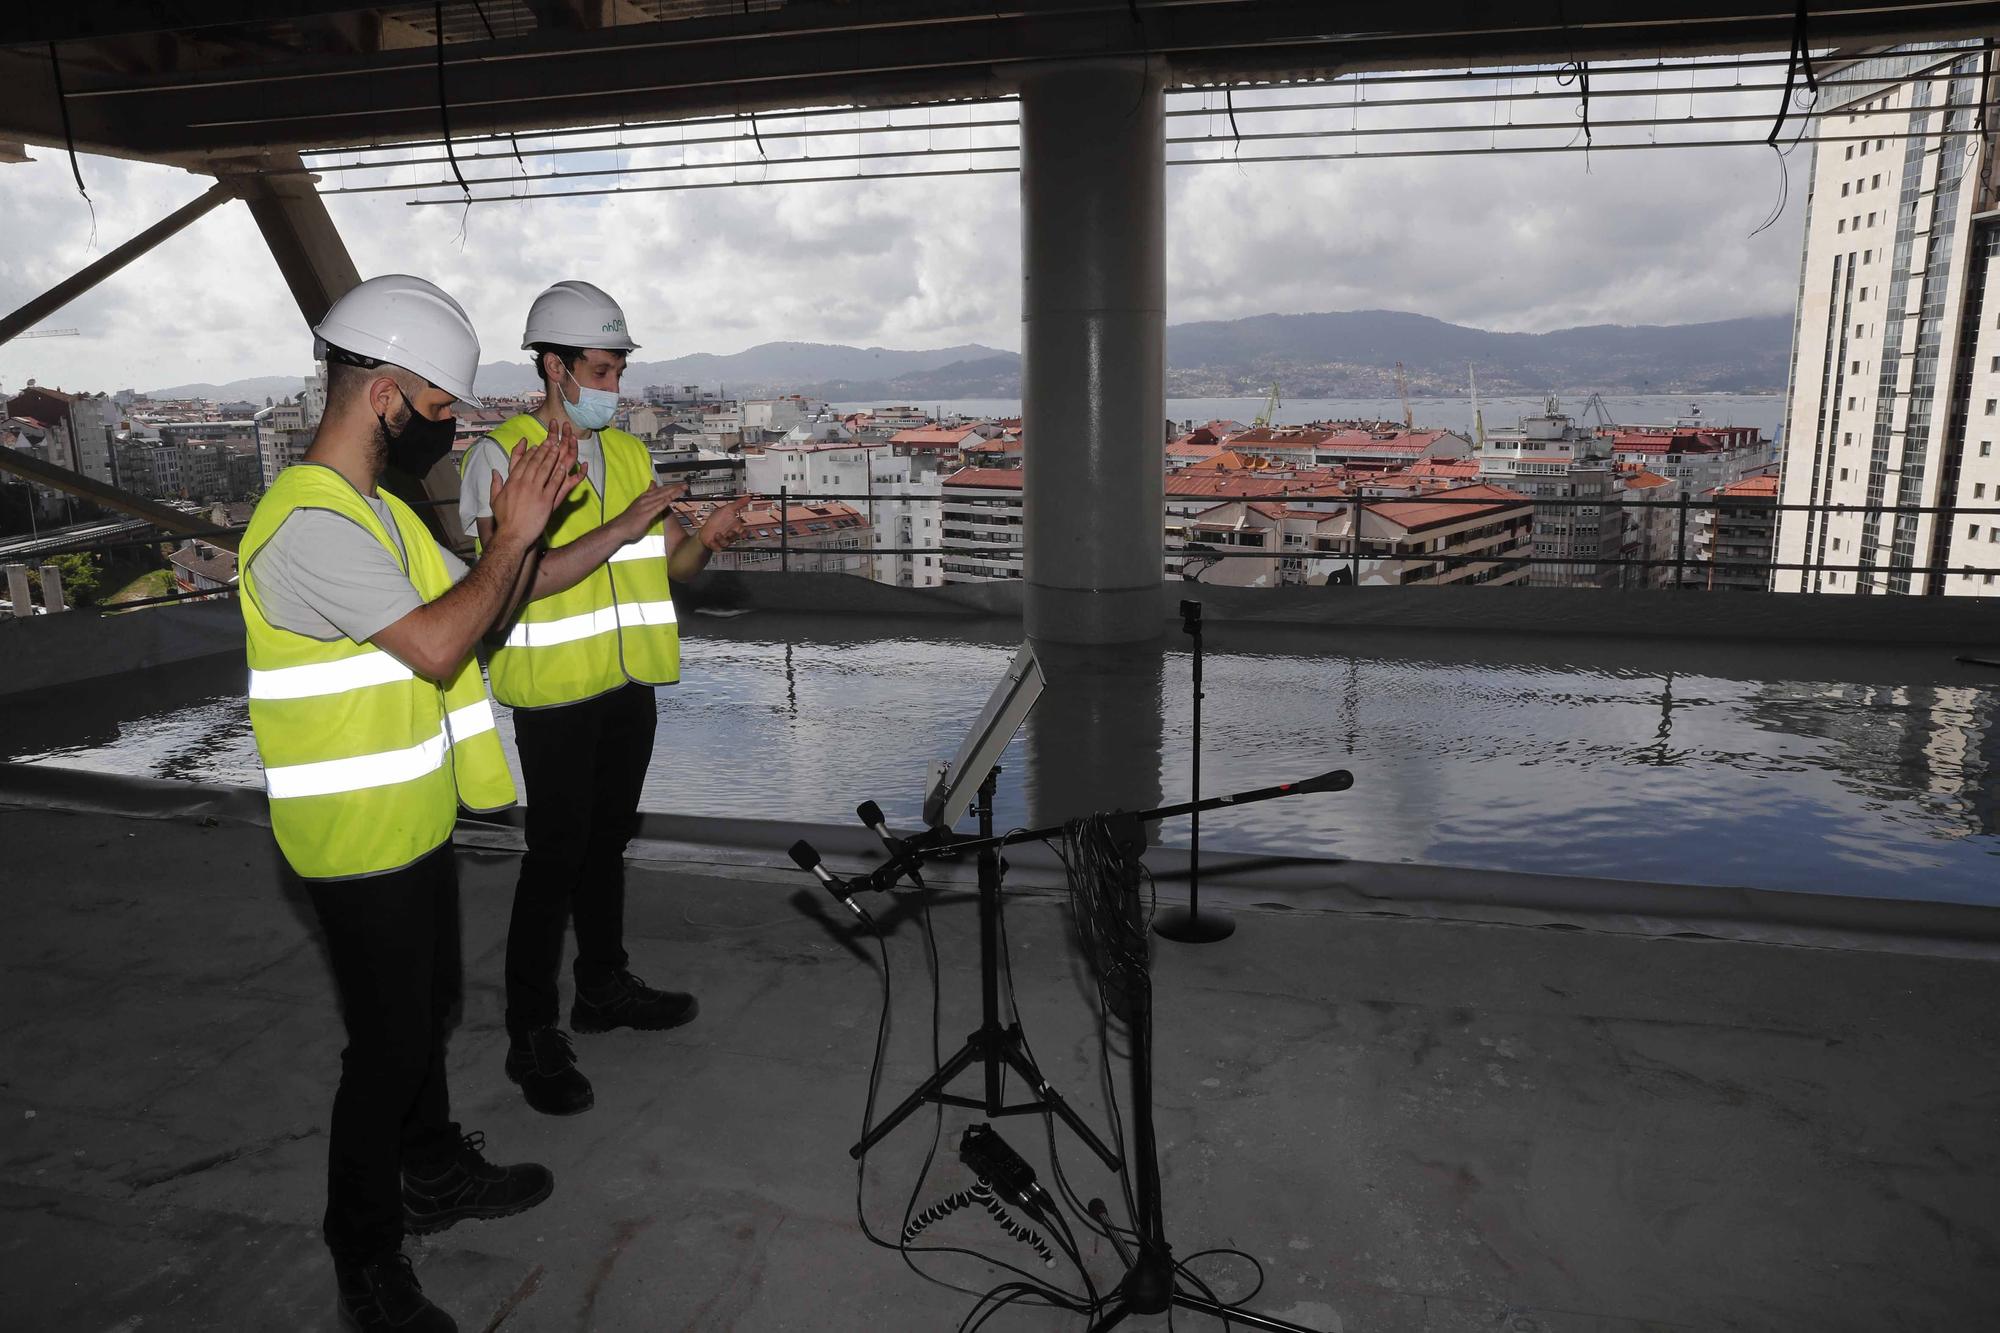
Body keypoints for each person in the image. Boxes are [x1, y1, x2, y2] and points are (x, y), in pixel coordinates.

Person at [239, 274, 583, 1333]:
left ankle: (432, 1171)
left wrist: (519, 541)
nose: (444, 429)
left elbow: (473, 610)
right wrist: (511, 542)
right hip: (354, 841)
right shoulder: (308, 526)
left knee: (420, 1017)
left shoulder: (375, 510)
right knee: (383, 1048)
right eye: (438, 409)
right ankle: (366, 1254)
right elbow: (441, 640)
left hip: (412, 820)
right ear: (385, 393)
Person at [457, 280, 748, 1116]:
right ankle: (530, 1031)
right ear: (551, 366)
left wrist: (708, 538)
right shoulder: (502, 457)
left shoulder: (625, 455)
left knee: (606, 845)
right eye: (601, 369)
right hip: (554, 697)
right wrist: (619, 530)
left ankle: (602, 986)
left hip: (628, 688)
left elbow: (669, 567)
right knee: (552, 861)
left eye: (619, 371)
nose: (614, 387)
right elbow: (508, 584)